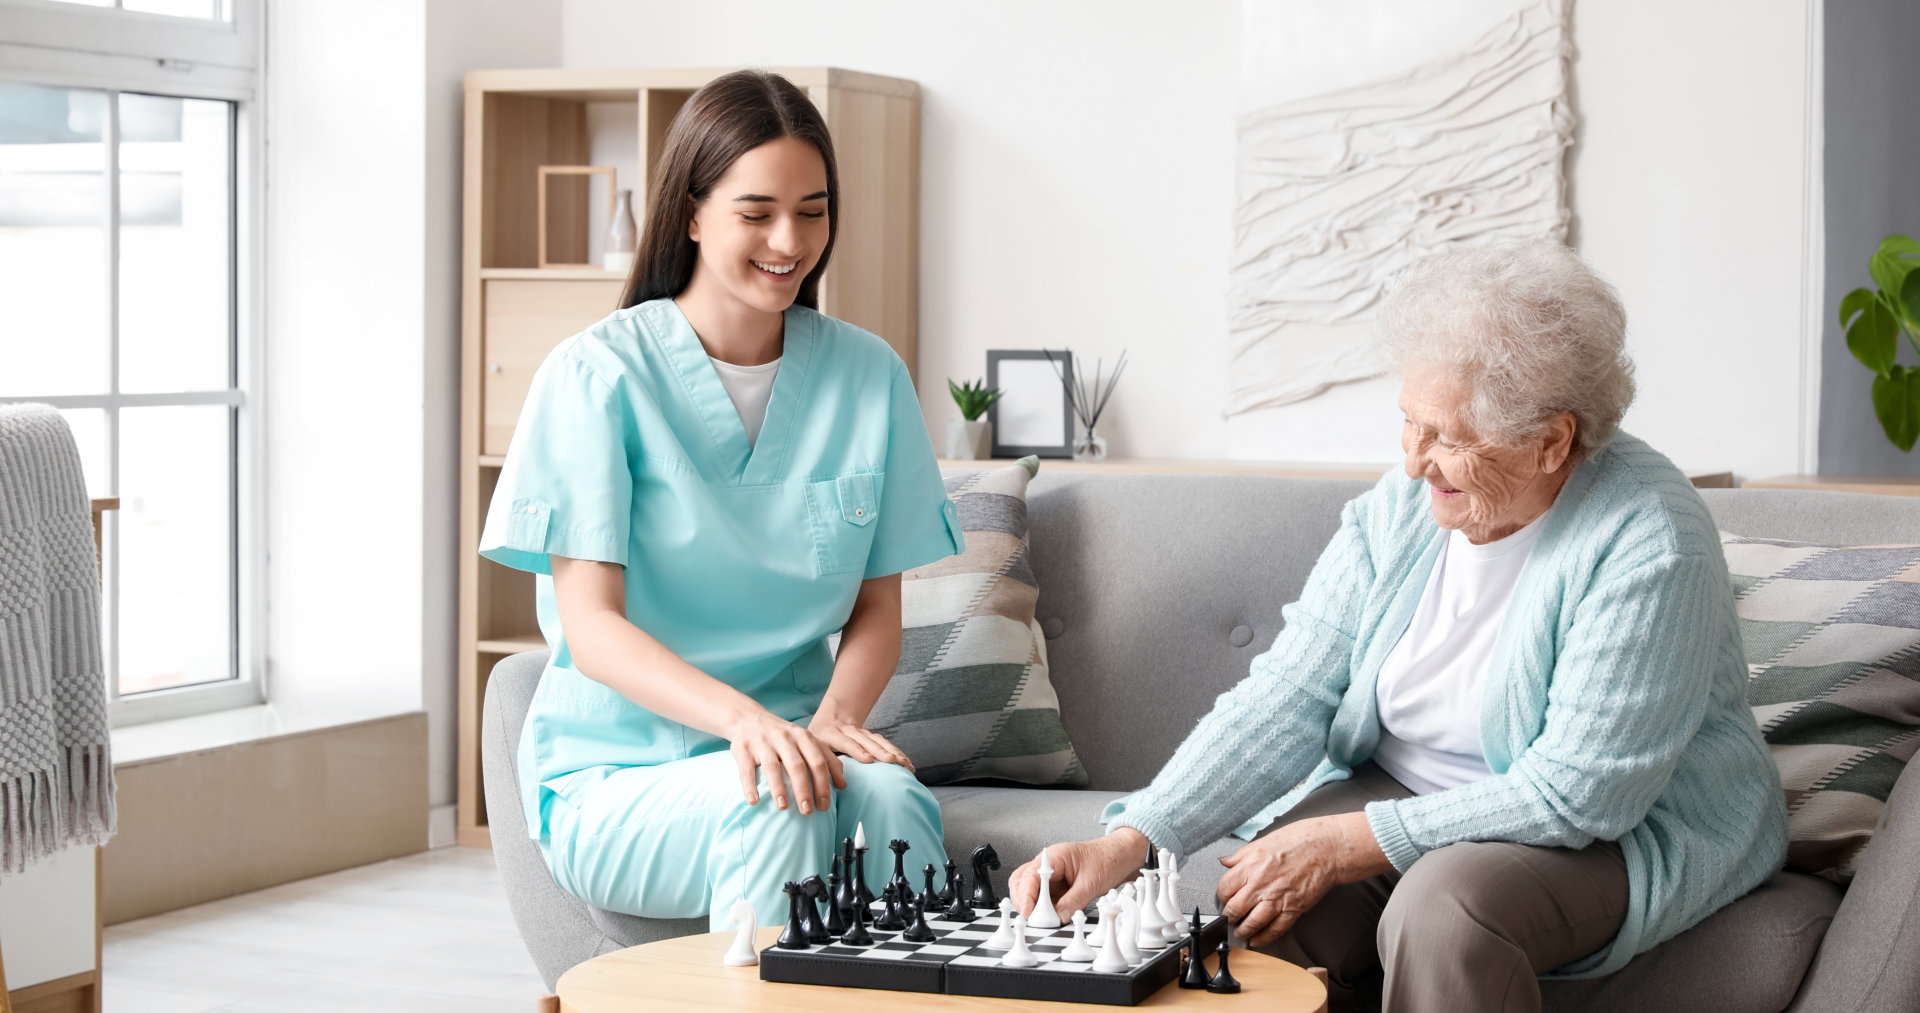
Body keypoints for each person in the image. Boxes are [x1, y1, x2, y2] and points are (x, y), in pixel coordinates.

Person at [1007, 241, 1786, 1012]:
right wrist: (1135, 838)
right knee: (1261, 898)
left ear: (1552, 442)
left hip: (1614, 829)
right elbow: (1292, 689)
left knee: (1443, 913)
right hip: (1409, 786)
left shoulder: (1651, 538)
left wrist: (1346, 841)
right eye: (1409, 423)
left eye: (1447, 437)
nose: (1415, 463)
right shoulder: (1404, 506)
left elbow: (1579, 794)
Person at [480, 70, 963, 931]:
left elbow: (877, 607)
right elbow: (590, 627)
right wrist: (750, 726)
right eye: (757, 212)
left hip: (796, 742)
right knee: (778, 795)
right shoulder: (595, 376)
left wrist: (832, 723)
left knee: (891, 799)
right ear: (693, 213)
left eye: (813, 211)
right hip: (620, 771)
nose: (790, 238)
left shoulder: (870, 376)